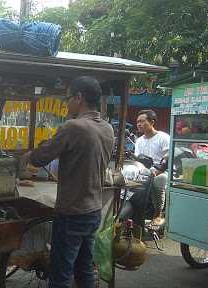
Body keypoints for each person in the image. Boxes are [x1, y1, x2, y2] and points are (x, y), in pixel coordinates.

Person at [22, 76, 114, 288]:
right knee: (84, 270)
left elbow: (39, 159)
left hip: (71, 213)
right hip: (93, 211)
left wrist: (29, 154)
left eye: (68, 98)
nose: (66, 103)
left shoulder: (74, 127)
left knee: (60, 275)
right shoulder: (107, 129)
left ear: (79, 98)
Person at [134, 109, 170, 226]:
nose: (139, 124)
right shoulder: (139, 141)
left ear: (152, 122)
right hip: (145, 171)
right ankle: (134, 215)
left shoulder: (163, 137)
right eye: (137, 121)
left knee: (158, 181)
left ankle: (158, 213)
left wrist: (157, 172)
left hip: (162, 171)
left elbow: (168, 158)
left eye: (142, 121)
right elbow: (138, 159)